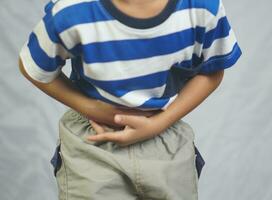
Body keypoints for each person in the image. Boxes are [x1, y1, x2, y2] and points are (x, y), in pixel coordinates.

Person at [18, 0, 242, 199]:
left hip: (166, 141)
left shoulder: (202, 7)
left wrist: (159, 122)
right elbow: (32, 67)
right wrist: (89, 107)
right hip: (93, 144)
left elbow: (212, 70)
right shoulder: (71, 10)